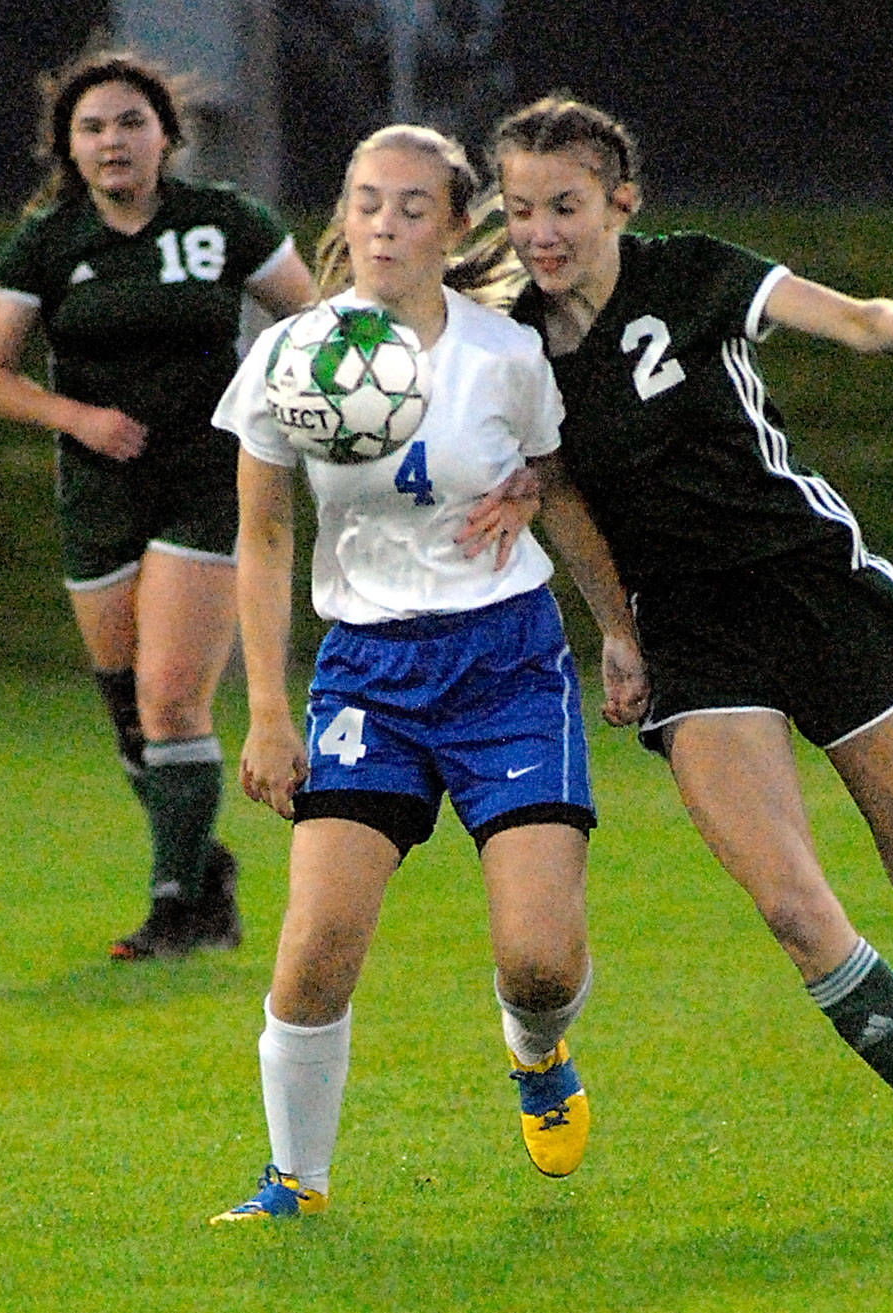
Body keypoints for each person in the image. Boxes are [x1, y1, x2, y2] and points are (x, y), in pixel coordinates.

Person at [482, 94, 893, 1213]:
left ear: (620, 201)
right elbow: (558, 493)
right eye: (520, 209)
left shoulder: (691, 273)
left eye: (563, 205)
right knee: (792, 907)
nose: (540, 232)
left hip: (812, 592)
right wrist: (616, 629)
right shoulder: (513, 338)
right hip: (691, 633)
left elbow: (845, 315)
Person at [206, 124, 648, 1222]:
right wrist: (266, 708)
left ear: (454, 226)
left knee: (540, 961)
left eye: (412, 206)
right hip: (367, 672)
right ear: (343, 218)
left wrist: (619, 629)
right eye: (365, 203)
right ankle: (293, 1182)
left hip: (504, 661)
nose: (385, 225)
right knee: (314, 949)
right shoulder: (291, 357)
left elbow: (555, 483)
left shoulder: (503, 354)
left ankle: (536, 1053)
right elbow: (261, 539)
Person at [0, 52, 317, 960]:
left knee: (171, 697)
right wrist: (78, 416)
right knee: (130, 710)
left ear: (166, 134)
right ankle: (206, 876)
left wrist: (287, 404)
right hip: (97, 490)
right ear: (68, 147)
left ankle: (176, 908)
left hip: (205, 477)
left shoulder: (225, 220)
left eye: (130, 122)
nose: (113, 140)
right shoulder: (47, 242)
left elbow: (310, 323)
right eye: (92, 127)